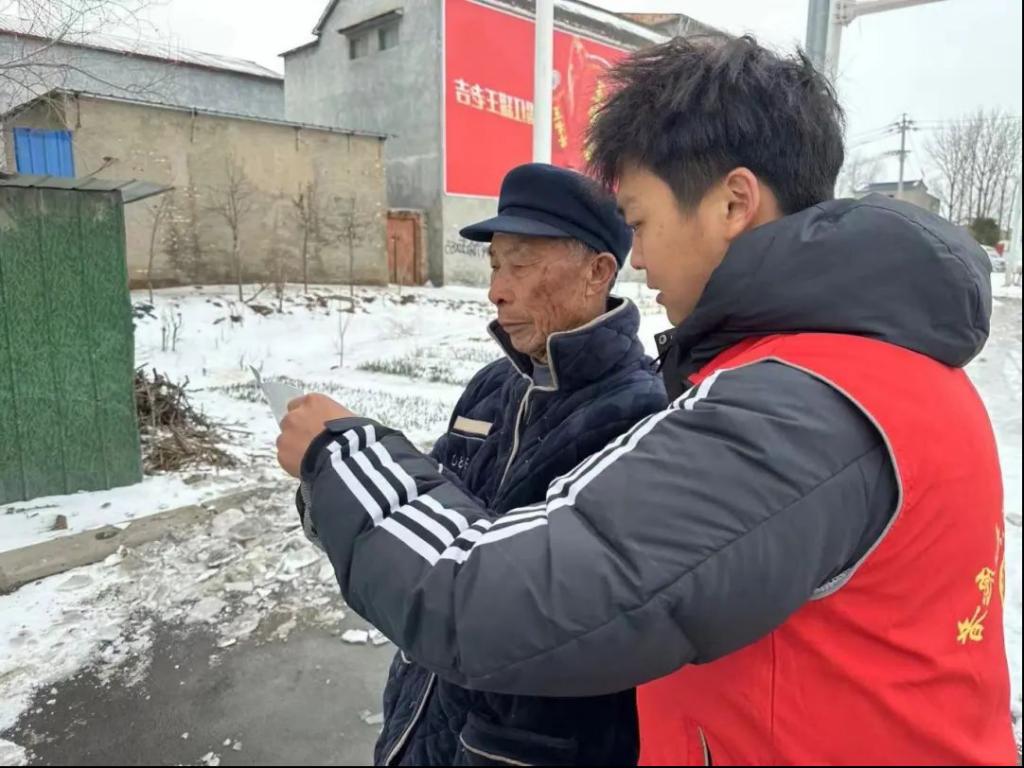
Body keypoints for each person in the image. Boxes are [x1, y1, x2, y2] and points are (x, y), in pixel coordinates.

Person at [279, 35, 1017, 765]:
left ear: (733, 203)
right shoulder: (872, 370)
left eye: (640, 222)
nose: (643, 257)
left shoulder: (801, 406)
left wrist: (340, 455)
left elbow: (489, 603)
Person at [320, 163, 665, 765]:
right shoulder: (492, 388)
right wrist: (332, 484)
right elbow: (422, 529)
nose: (496, 291)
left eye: (521, 266)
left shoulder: (640, 417)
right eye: (494, 265)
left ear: (598, 272)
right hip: (420, 720)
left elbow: (552, 613)